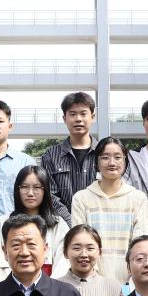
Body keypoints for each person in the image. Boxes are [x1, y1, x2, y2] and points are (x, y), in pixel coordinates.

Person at [71, 137, 148, 285]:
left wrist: (130, 280)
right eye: (105, 157)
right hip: (91, 282)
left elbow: (141, 245)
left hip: (129, 283)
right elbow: (80, 243)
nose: (112, 162)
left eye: (117, 157)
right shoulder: (81, 199)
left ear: (125, 161)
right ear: (96, 162)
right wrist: (95, 280)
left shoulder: (138, 198)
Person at [0, 166, 70, 278]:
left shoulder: (58, 225)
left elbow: (62, 264)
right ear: (17, 190)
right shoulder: (2, 223)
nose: (30, 193)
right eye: (24, 187)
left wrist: (50, 286)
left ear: (45, 191)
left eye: (37, 187)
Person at [40, 91, 100, 222]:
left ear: (92, 117)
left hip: (99, 223)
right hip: (63, 227)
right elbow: (51, 196)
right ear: (64, 118)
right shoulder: (50, 156)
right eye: (72, 114)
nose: (78, 119)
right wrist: (71, 223)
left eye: (83, 114)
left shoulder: (103, 153)